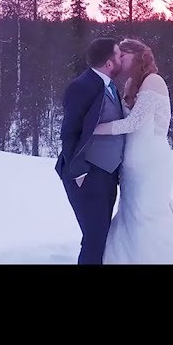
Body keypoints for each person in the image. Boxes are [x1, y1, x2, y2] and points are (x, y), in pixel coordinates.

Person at [91, 38, 173, 264]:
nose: (118, 62)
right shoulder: (129, 85)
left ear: (136, 56)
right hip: (130, 163)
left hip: (152, 162)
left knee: (149, 214)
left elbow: (132, 123)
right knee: (131, 214)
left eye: (122, 57)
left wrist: (93, 130)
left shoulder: (154, 81)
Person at [55, 38, 127, 265]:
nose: (121, 59)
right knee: (95, 237)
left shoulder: (110, 85)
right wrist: (78, 172)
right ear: (108, 63)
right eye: (118, 55)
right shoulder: (82, 86)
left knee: (99, 235)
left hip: (107, 174)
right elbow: (69, 132)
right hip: (86, 174)